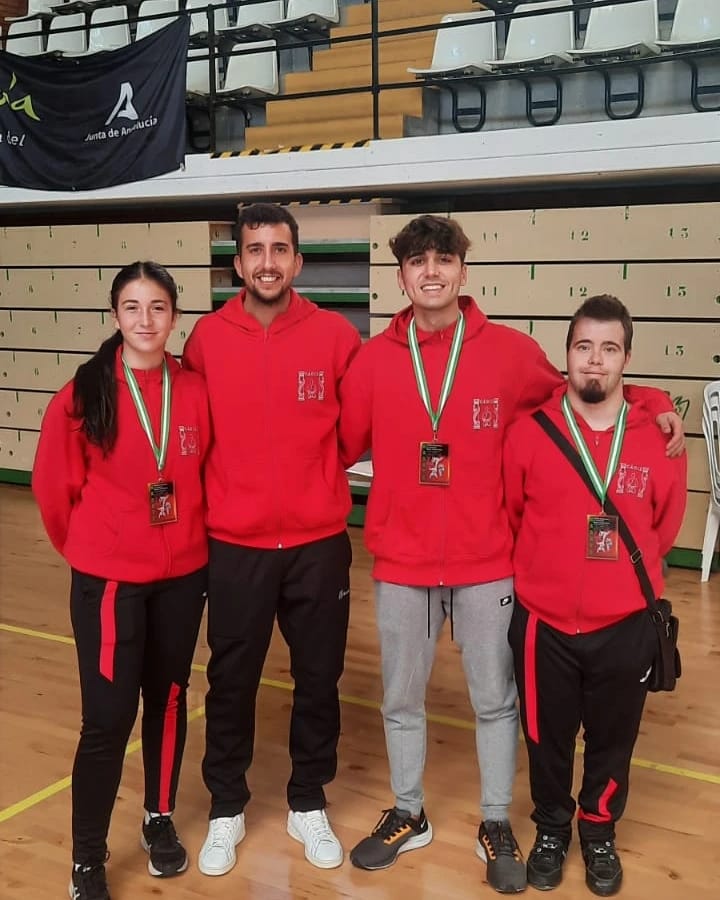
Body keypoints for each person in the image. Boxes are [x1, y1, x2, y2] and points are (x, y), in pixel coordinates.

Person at [336, 216, 684, 894]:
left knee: (496, 702)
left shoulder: (510, 352)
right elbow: (339, 444)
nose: (430, 272)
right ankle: (409, 811)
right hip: (402, 565)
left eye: (443, 259)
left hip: (488, 563)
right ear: (401, 276)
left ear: (464, 272)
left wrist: (653, 398)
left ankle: (497, 820)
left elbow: (584, 390)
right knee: (401, 698)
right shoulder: (374, 361)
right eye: (416, 262)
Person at [182, 203, 362, 875]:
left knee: (319, 678)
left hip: (318, 544)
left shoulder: (335, 336)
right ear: (237, 263)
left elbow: (358, 426)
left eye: (279, 249)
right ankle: (226, 805)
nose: (267, 262)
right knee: (231, 681)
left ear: (297, 260)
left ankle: (307, 799)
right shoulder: (205, 340)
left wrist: (314, 480)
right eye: (254, 249)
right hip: (235, 545)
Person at [32, 262, 210, 900]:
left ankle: (157, 818)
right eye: (132, 308)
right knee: (108, 718)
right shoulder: (84, 393)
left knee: (166, 700)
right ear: (115, 317)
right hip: (110, 582)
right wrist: (94, 550)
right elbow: (55, 492)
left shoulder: (193, 387)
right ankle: (86, 858)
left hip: (184, 575)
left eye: (158, 308)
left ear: (174, 317)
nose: (145, 320)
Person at [502, 295, 686, 897]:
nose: (595, 362)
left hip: (624, 621)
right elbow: (513, 512)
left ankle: (599, 829)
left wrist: (613, 585)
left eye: (609, 349)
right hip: (543, 621)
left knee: (613, 739)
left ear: (626, 359)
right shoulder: (531, 434)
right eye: (584, 348)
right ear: (568, 356)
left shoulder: (659, 438)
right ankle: (552, 828)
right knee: (545, 737)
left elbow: (665, 526)